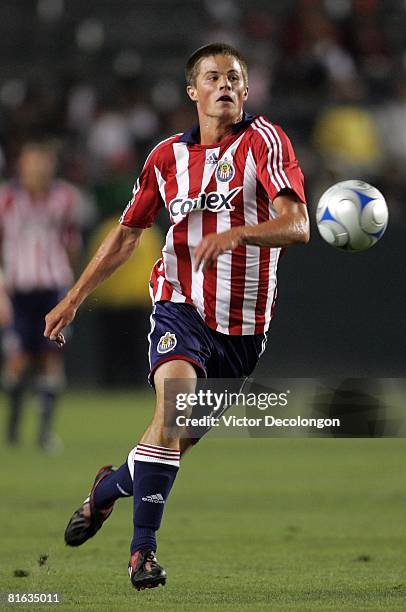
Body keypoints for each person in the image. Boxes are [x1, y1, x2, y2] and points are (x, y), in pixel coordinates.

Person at [44, 43, 310, 591]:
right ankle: (143, 556)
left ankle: (106, 490)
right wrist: (72, 300)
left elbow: (299, 224)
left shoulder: (266, 142)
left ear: (246, 89)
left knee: (169, 443)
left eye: (235, 77)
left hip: (244, 328)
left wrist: (238, 233)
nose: (226, 86)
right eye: (213, 78)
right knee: (172, 414)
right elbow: (125, 236)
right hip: (179, 306)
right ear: (194, 92)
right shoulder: (166, 157)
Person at [0, 141, 84, 451]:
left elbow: (72, 243)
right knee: (17, 360)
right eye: (32, 161)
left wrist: (71, 288)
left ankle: (45, 433)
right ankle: (13, 427)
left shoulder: (65, 198)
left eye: (43, 161)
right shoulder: (6, 199)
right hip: (18, 291)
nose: (38, 168)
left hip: (53, 288)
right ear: (20, 165)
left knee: (52, 358)